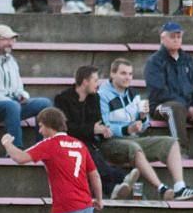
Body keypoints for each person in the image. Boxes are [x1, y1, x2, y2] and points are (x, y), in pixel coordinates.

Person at [98, 58, 193, 201]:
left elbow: (144, 125)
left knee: (171, 142)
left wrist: (143, 118)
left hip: (132, 139)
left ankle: (180, 188)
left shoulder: (134, 94)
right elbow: (104, 126)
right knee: (134, 147)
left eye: (130, 74)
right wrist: (126, 129)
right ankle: (161, 189)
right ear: (112, 74)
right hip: (110, 143)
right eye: (123, 73)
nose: (128, 77)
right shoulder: (101, 95)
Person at [54, 65, 139, 199]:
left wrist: (103, 130)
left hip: (89, 142)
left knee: (88, 153)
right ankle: (120, 177)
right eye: (95, 80)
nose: (98, 84)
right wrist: (91, 129)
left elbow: (97, 122)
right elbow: (66, 128)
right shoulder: (62, 99)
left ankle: (113, 190)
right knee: (85, 151)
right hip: (67, 143)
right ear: (85, 81)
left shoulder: (94, 98)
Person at [0, 25, 51, 148]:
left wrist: (22, 95)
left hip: (13, 104)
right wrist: (7, 99)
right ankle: (15, 149)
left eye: (12, 40)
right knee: (12, 105)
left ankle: (42, 147)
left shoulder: (11, 60)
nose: (11, 43)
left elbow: (19, 87)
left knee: (45, 103)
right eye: (6, 39)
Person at [145, 22, 193, 156]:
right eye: (172, 36)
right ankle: (180, 150)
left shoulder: (187, 59)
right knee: (176, 108)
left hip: (188, 106)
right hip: (160, 106)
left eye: (179, 37)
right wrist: (186, 108)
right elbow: (160, 92)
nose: (176, 40)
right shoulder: (154, 61)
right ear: (163, 39)